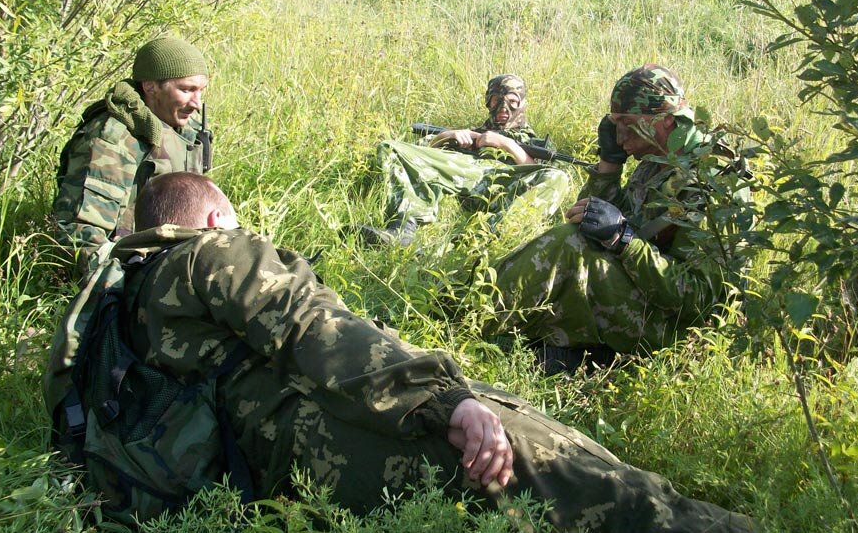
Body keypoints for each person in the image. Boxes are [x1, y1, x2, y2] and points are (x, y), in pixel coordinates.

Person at [44, 171, 753, 532]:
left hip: (252, 466)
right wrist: (446, 398)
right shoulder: (211, 254)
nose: (242, 228)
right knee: (560, 466)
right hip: (324, 437)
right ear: (209, 218)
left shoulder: (123, 295)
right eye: (234, 220)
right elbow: (312, 325)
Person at [486, 65, 753, 373]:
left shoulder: (714, 181)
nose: (620, 134)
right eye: (615, 124)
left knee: (569, 245)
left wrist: (625, 240)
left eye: (627, 124)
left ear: (666, 121)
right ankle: (487, 317)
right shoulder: (657, 160)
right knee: (576, 238)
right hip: (645, 293)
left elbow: (700, 300)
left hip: (681, 330)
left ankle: (470, 320)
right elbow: (593, 217)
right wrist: (609, 165)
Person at [53, 37, 212, 271]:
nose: (197, 103)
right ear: (151, 87)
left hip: (178, 255)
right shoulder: (113, 139)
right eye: (187, 90)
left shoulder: (188, 129)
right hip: (131, 267)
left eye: (201, 90)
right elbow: (80, 238)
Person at [359, 74, 570, 246]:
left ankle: (487, 238)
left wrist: (508, 145)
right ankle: (403, 227)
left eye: (513, 102)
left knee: (559, 177)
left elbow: (545, 177)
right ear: (488, 102)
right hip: (464, 172)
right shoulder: (472, 134)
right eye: (497, 100)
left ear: (522, 105)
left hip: (505, 183)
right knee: (390, 148)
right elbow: (420, 153)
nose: (504, 109)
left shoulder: (537, 145)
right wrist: (449, 136)